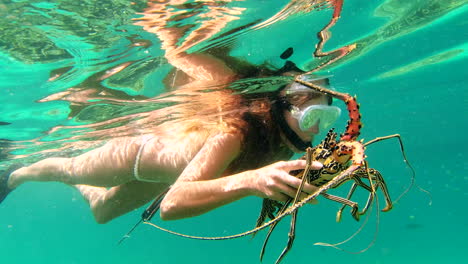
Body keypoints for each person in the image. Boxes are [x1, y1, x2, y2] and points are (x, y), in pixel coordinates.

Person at [0, 2, 342, 224]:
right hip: (134, 159)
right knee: (72, 168)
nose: (316, 127)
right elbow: (173, 204)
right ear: (275, 104)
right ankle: (16, 173)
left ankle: (77, 181)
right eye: (310, 112)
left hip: (163, 177)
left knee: (101, 211)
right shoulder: (235, 132)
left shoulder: (281, 142)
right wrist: (251, 180)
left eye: (326, 117)